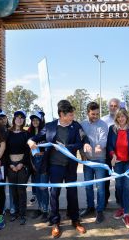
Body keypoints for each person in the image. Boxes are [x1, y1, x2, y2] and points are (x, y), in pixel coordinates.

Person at [28, 100, 87, 238]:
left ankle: (75, 220)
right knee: (54, 194)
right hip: (55, 167)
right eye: (70, 115)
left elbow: (82, 140)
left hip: (71, 166)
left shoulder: (76, 125)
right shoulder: (50, 127)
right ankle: (55, 222)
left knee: (72, 193)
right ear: (61, 114)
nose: (72, 117)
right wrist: (30, 141)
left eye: (73, 114)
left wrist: (81, 146)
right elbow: (35, 137)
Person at [107, 108, 129, 229]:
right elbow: (110, 145)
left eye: (123, 117)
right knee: (119, 186)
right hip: (118, 163)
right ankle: (121, 207)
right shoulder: (112, 129)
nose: (120, 119)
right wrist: (112, 155)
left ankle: (126, 214)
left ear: (127, 117)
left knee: (127, 186)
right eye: (118, 117)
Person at [79, 102, 108, 224]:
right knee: (88, 186)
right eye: (93, 114)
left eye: (97, 114)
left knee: (100, 187)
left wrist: (99, 146)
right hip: (87, 161)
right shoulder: (82, 124)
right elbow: (80, 140)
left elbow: (103, 139)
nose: (95, 116)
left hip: (100, 160)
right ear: (88, 113)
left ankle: (99, 210)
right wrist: (82, 154)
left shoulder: (103, 124)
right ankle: (90, 207)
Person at [6, 110, 31, 225]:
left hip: (23, 165)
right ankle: (14, 213)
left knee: (21, 190)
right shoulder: (8, 133)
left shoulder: (26, 134)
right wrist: (10, 164)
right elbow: (4, 150)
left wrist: (21, 163)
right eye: (17, 117)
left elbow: (28, 151)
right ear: (14, 119)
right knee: (13, 190)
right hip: (10, 165)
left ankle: (22, 214)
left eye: (22, 117)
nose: (19, 119)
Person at [28, 110, 49, 222]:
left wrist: (43, 154)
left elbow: (49, 148)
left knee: (43, 188)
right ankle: (40, 208)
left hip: (44, 163)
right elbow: (28, 150)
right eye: (33, 120)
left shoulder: (46, 132)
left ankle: (45, 210)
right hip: (33, 163)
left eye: (37, 119)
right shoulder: (29, 133)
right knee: (37, 188)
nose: (35, 121)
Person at [101, 98, 121, 206]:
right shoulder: (103, 120)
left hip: (119, 154)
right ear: (108, 107)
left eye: (115, 106)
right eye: (111, 106)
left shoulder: (122, 119)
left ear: (119, 107)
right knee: (105, 179)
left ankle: (120, 200)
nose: (113, 108)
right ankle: (104, 200)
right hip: (106, 153)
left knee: (119, 179)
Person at [0, 109, 14, 216]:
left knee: (12, 186)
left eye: (4, 117)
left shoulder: (11, 131)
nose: (2, 120)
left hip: (11, 162)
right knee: (1, 187)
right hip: (1, 162)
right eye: (0, 118)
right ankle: (2, 208)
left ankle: (12, 207)